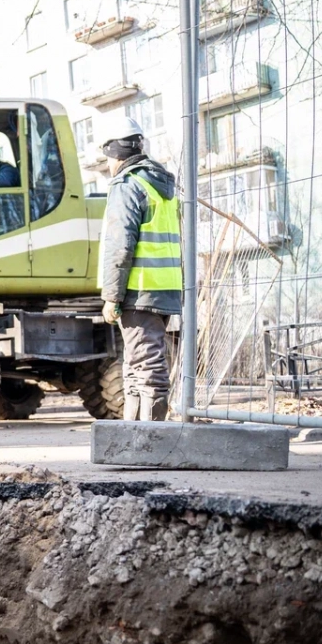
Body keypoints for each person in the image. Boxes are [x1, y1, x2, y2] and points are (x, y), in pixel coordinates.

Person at [96, 115, 182, 421]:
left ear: (114, 153)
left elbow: (120, 246)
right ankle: (132, 434)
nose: (107, 165)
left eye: (107, 158)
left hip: (139, 289)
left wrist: (112, 296)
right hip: (163, 288)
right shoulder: (160, 185)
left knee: (146, 367)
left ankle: (151, 437)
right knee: (134, 364)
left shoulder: (127, 184)